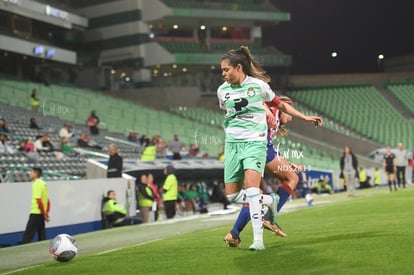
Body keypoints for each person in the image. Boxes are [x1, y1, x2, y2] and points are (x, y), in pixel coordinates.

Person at [218, 46, 322, 250]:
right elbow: (264, 103)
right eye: (289, 110)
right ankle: (271, 208)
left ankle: (239, 234)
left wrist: (285, 161)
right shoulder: (267, 106)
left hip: (257, 146)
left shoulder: (259, 95)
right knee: (284, 180)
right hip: (245, 145)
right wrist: (269, 109)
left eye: (225, 69)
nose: (289, 117)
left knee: (254, 192)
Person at [224, 96, 322, 247]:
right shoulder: (271, 110)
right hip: (257, 148)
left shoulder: (273, 120)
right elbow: (257, 98)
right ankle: (269, 218)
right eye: (291, 113)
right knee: (292, 179)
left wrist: (287, 164)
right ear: (286, 107)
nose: (291, 119)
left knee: (255, 193)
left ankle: (234, 234)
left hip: (245, 149)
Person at [22, 167, 50, 244]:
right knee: (42, 235)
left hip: (36, 212)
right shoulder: (43, 184)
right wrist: (46, 213)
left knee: (27, 236)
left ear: (36, 174)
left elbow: (38, 200)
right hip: (41, 213)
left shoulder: (36, 184)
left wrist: (44, 213)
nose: (30, 174)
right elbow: (47, 201)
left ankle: (25, 253)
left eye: (31, 172)